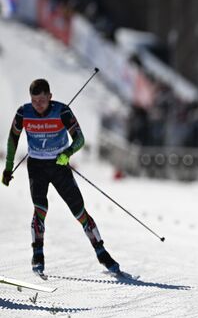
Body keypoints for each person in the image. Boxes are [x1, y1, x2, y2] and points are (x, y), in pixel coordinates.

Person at [2, 79, 120, 276]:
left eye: (42, 100)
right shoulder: (24, 112)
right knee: (40, 208)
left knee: (78, 210)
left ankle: (101, 251)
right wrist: (8, 168)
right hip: (37, 166)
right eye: (34, 100)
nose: (38, 105)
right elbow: (12, 139)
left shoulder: (62, 112)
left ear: (50, 96)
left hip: (59, 165)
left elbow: (80, 139)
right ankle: (37, 254)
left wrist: (68, 153)